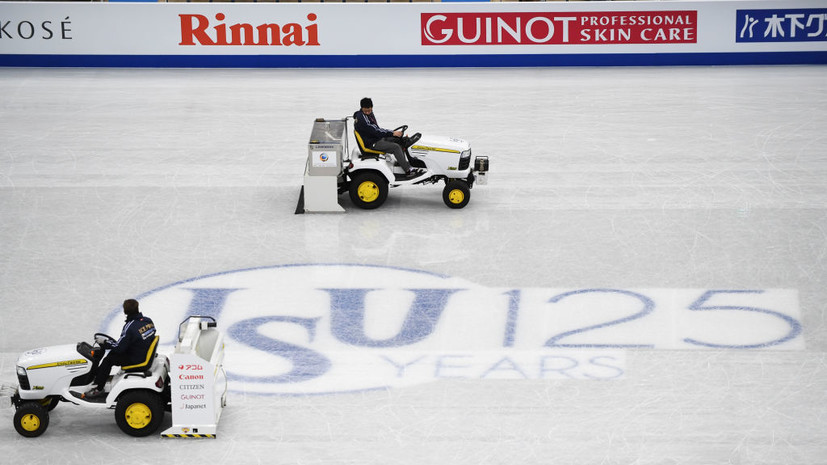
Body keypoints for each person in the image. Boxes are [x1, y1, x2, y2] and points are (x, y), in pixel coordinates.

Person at [83, 299, 156, 400]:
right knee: (112, 354)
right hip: (143, 352)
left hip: (136, 358)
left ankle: (98, 388)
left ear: (125, 311)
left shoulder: (129, 327)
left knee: (108, 360)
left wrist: (105, 342)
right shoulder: (148, 321)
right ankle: (100, 375)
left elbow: (119, 348)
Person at [353, 97, 424, 177]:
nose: (368, 112)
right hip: (372, 143)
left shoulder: (367, 114)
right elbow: (375, 131)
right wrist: (392, 133)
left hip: (375, 138)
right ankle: (408, 170)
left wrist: (393, 134)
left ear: (372, 107)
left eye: (369, 110)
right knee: (396, 147)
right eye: (366, 110)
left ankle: (403, 162)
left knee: (400, 140)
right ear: (361, 108)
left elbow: (377, 129)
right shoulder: (362, 118)